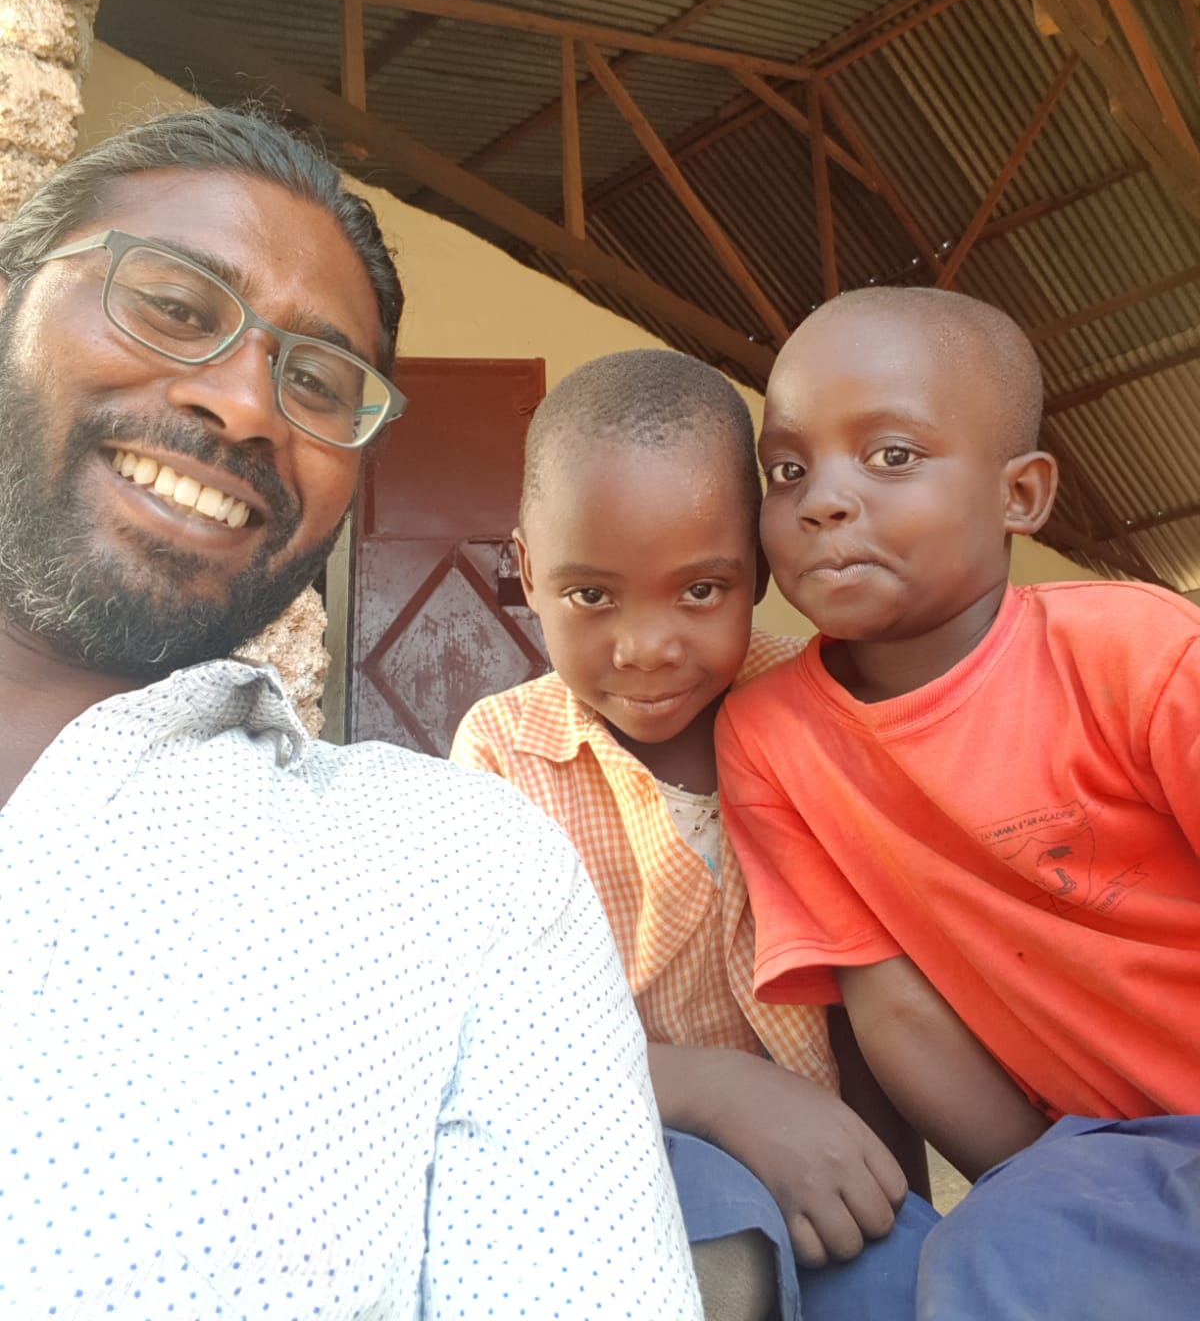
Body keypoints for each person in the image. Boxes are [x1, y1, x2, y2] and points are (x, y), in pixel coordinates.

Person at [0, 109, 703, 1320]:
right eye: (173, 306)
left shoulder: (463, 869)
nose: (246, 406)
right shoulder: (512, 751)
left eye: (319, 382)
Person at [717, 286, 1200, 1317]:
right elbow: (894, 1009)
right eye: (787, 469)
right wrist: (1047, 1188)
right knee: (997, 1257)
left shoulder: (1141, 656)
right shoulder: (771, 739)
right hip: (1113, 1158)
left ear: (1020, 494)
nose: (823, 499)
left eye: (891, 455)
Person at [451, 351, 939, 1321]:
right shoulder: (505, 755)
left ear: (755, 570)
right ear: (529, 572)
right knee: (726, 1278)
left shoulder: (818, 705)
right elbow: (501, 1037)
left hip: (834, 1144)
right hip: (631, 1146)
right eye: (593, 596)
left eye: (701, 590)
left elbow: (880, 986)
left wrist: (900, 1191)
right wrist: (719, 1090)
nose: (647, 647)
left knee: (904, 1279)